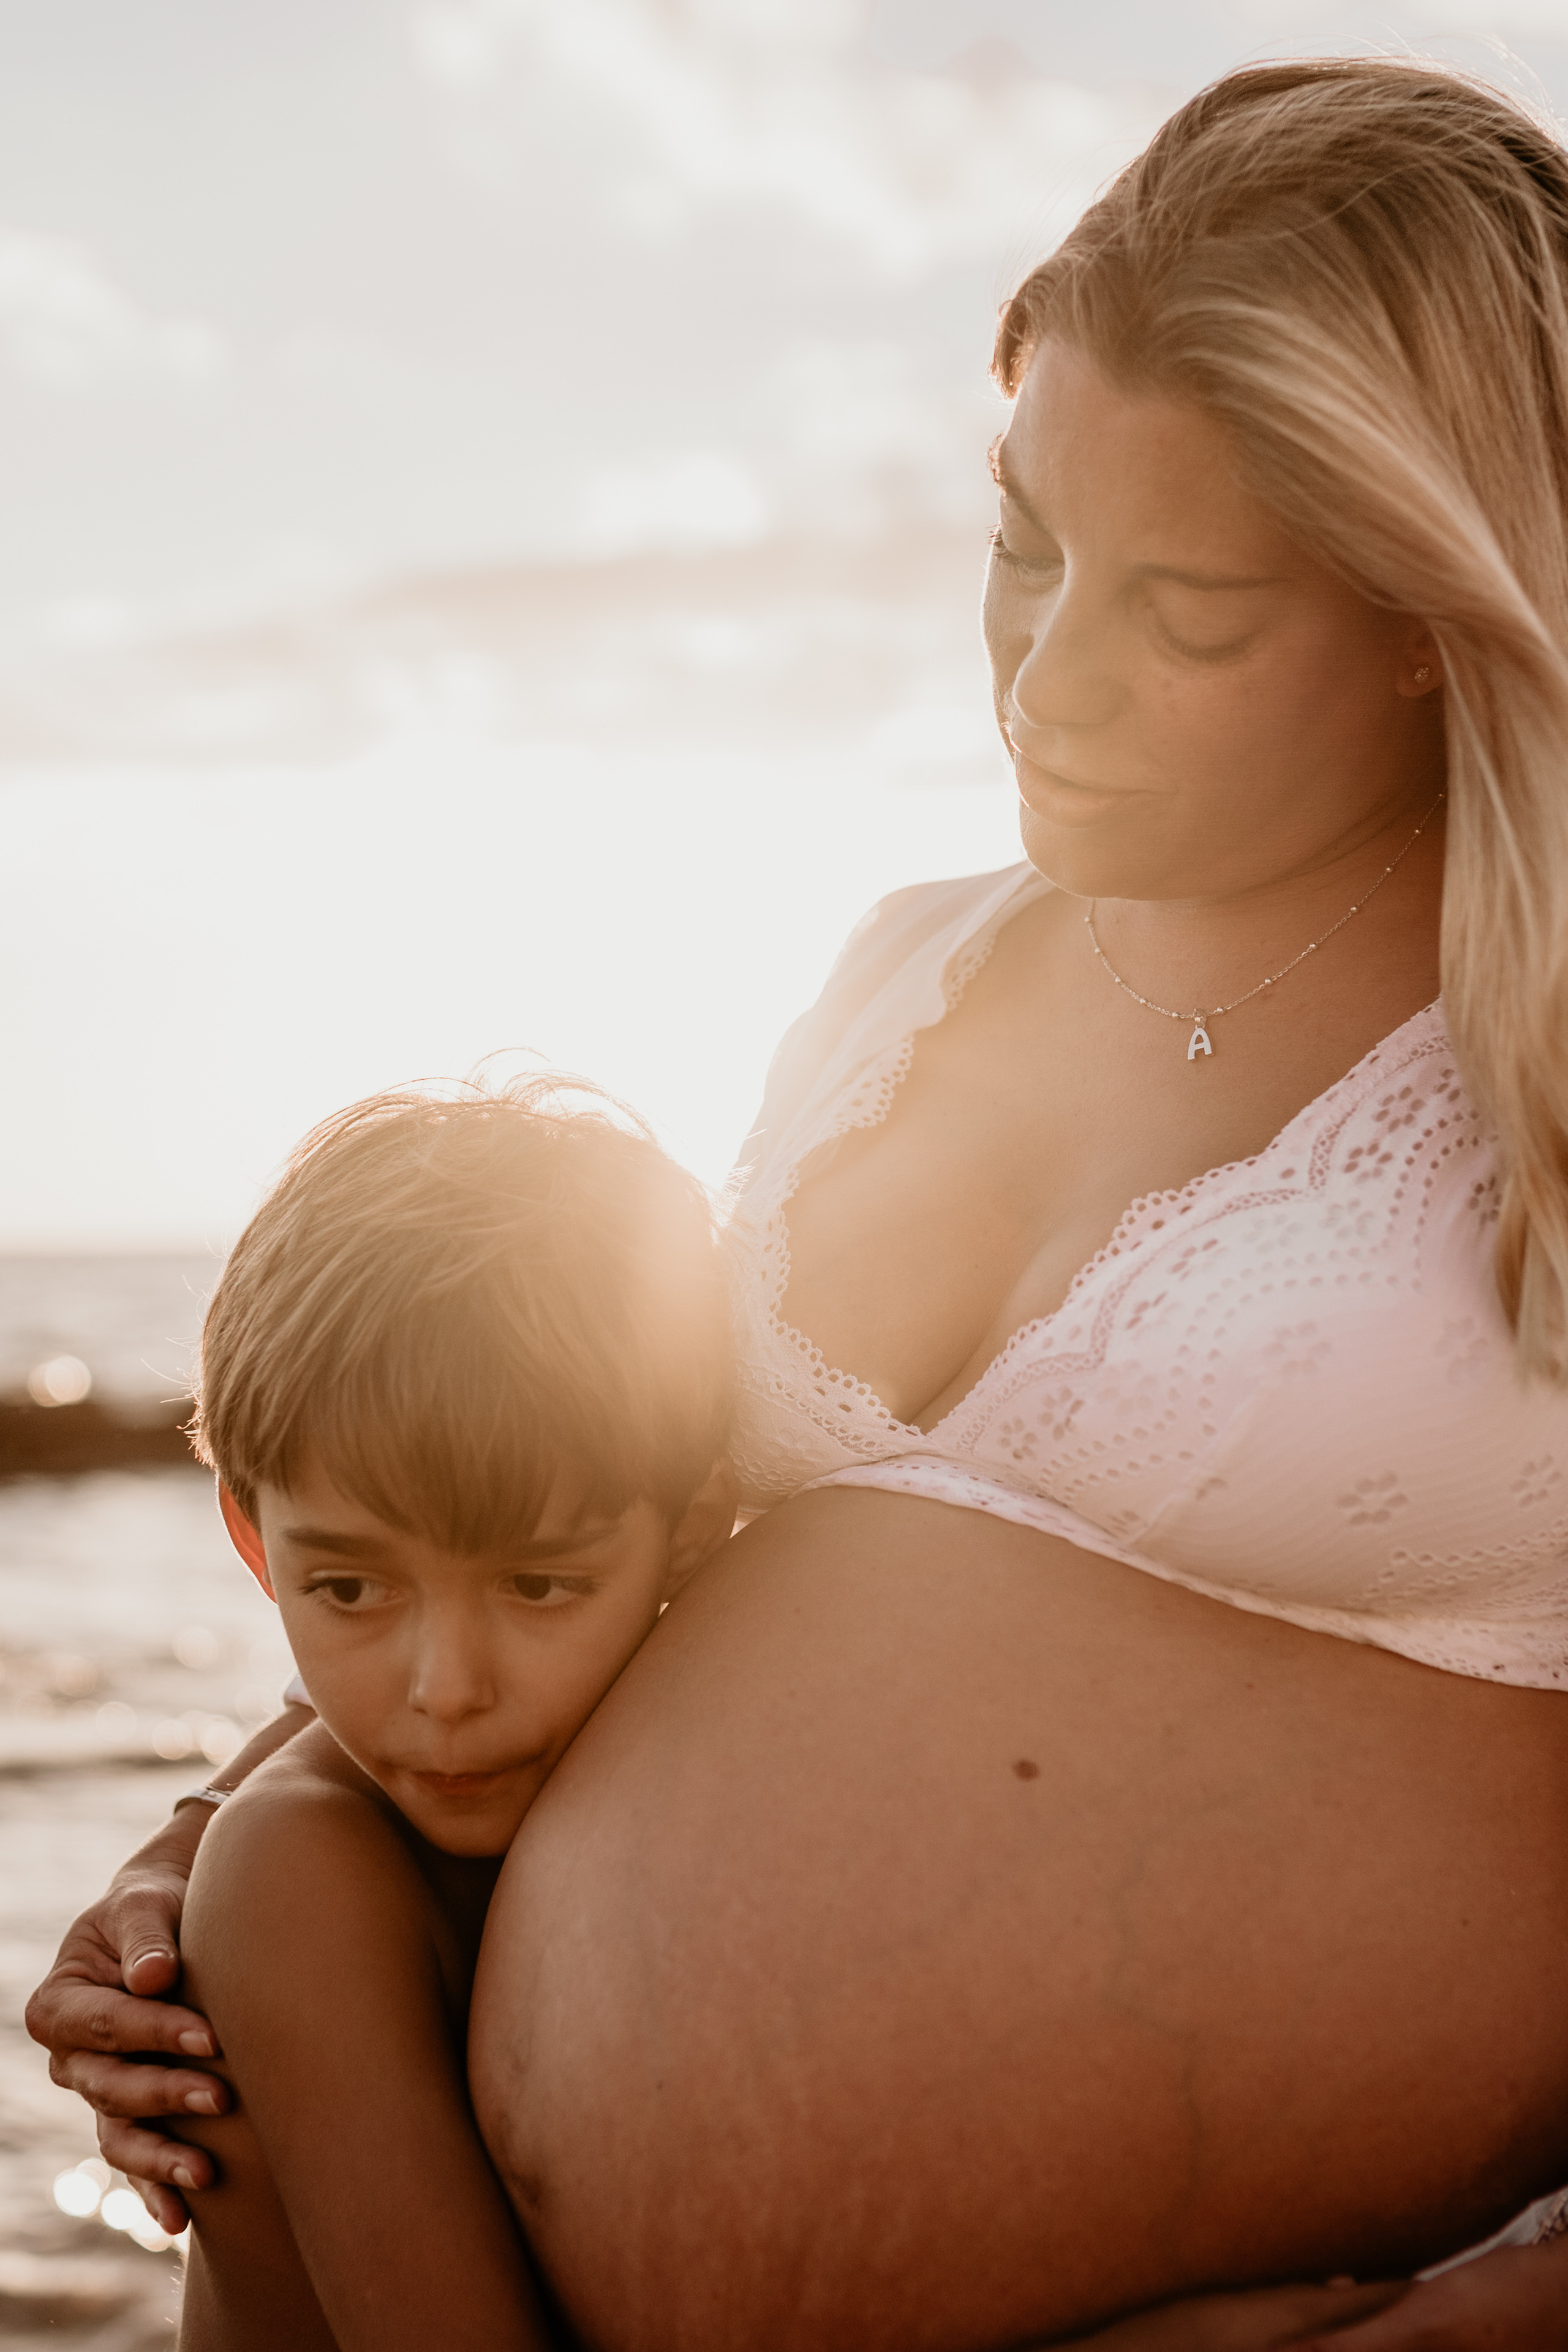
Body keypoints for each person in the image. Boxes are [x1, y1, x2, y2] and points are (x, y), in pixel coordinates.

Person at [25, 52, 1568, 2351]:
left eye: (1193, 612)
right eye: (1025, 544)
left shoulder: (1536, 1076)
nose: (1047, 680)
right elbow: (625, 1511)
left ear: (1439, 604)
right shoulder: (893, 982)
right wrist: (216, 1832)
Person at [135, 1078, 735, 2349]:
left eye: (537, 1583)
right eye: (348, 1587)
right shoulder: (293, 1868)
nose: (445, 1688)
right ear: (253, 1541)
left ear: (691, 1539)